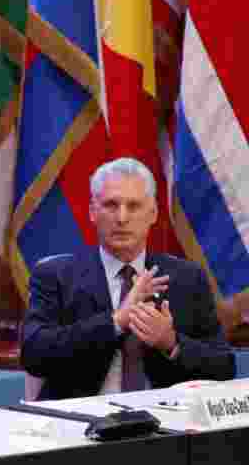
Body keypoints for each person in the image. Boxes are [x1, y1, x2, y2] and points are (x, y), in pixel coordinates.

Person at [21, 157, 234, 401]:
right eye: (111, 205)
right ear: (92, 212)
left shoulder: (186, 278)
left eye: (133, 206)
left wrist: (171, 343)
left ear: (153, 213)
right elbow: (33, 355)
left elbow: (224, 367)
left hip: (165, 425)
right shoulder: (55, 275)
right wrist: (116, 322)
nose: (122, 218)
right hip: (78, 421)